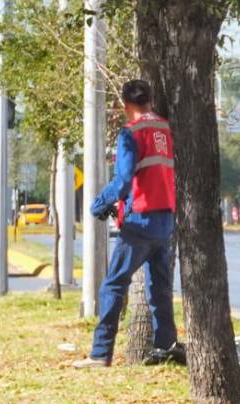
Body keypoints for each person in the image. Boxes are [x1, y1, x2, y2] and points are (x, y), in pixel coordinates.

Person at [73, 79, 183, 369]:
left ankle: (100, 353)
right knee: (159, 289)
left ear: (125, 105)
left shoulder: (131, 132)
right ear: (150, 99)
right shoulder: (165, 128)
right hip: (166, 220)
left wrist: (98, 203)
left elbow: (123, 181)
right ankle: (165, 347)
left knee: (113, 285)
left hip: (140, 223)